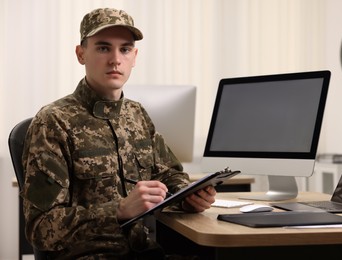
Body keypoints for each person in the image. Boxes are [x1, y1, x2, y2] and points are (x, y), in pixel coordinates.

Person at [21, 7, 216, 259]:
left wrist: (188, 197)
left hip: (146, 251)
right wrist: (118, 210)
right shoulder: (53, 122)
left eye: (124, 49)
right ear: (81, 54)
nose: (115, 59)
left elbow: (169, 175)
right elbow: (41, 227)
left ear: (134, 56)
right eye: (103, 48)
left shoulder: (137, 115)